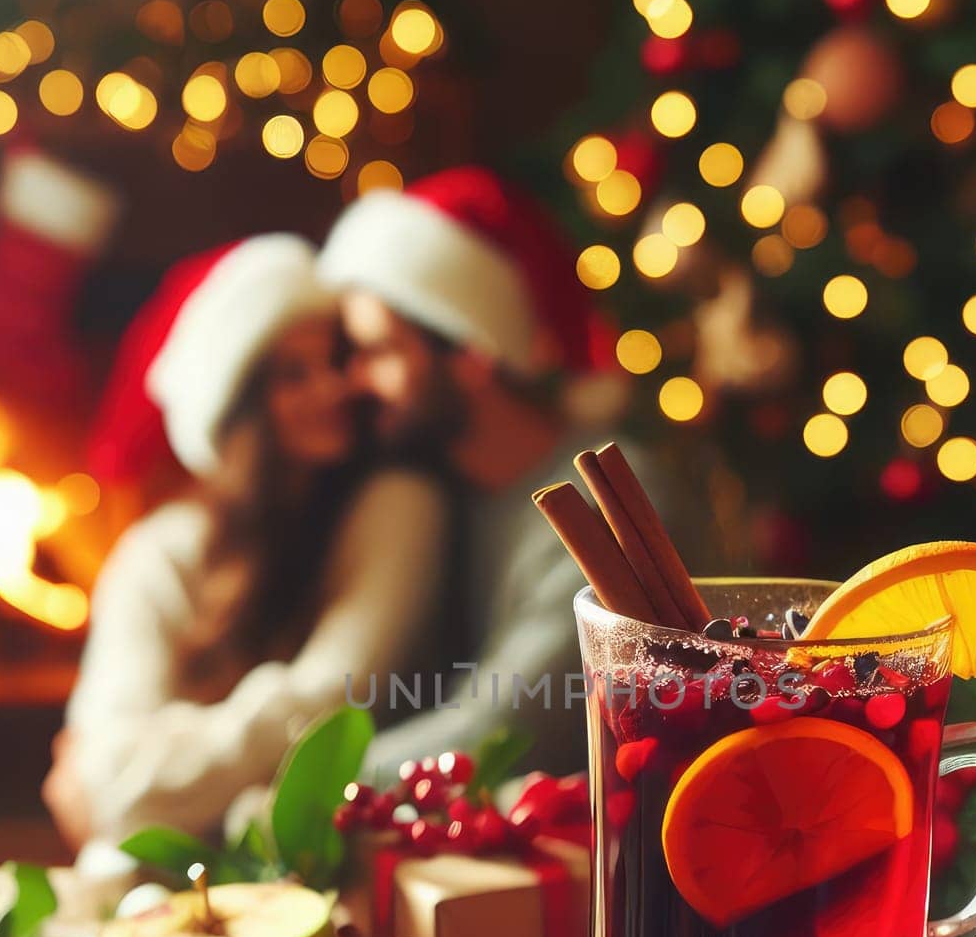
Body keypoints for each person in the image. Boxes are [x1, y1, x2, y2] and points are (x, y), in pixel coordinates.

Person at [45, 234, 448, 873]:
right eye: (293, 374)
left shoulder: (395, 506)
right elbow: (102, 764)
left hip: (323, 860)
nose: (334, 388)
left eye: (337, 359)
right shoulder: (161, 553)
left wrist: (141, 773)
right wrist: (122, 783)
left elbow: (325, 710)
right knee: (112, 869)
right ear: (241, 408)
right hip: (181, 866)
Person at [315, 166, 694, 780]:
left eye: (380, 351)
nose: (356, 381)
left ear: (472, 355)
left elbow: (504, 733)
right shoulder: (440, 501)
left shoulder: (605, 496)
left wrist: (303, 796)